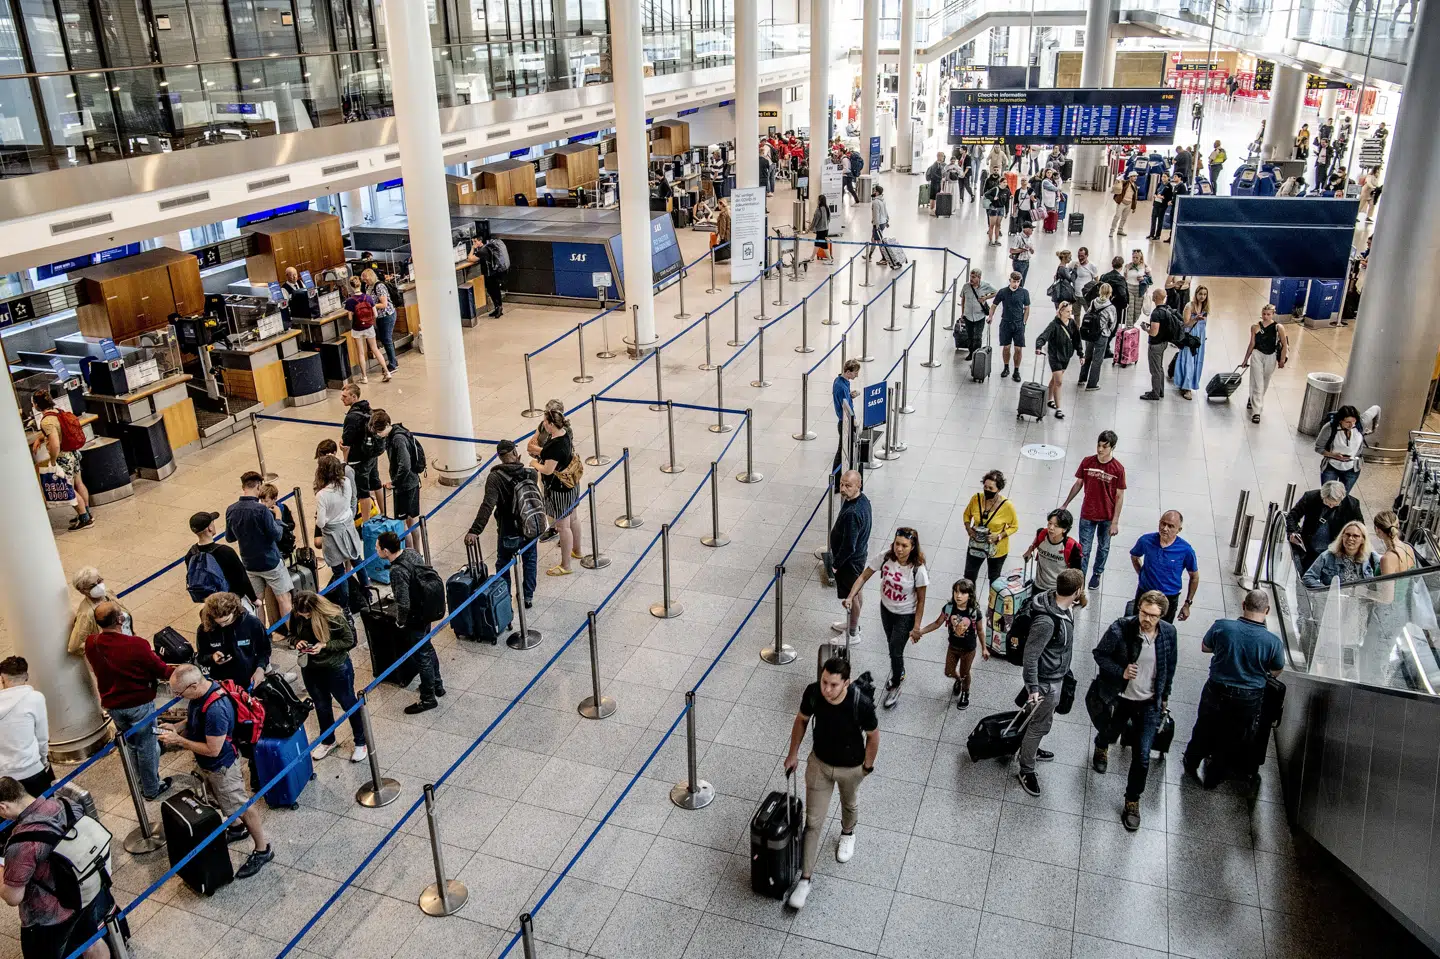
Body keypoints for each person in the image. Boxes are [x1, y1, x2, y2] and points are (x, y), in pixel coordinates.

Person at [782, 655, 879, 910]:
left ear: (846, 683)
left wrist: (867, 766)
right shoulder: (814, 693)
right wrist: (793, 753)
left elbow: (873, 735)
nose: (827, 689)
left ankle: (848, 832)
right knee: (812, 823)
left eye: (834, 685)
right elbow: (802, 719)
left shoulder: (861, 703)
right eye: (825, 681)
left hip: (851, 767)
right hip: (820, 765)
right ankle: (805, 879)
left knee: (849, 803)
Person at [159, 664, 272, 878]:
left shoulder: (216, 710)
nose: (177, 696)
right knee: (219, 799)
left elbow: (213, 750)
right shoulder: (201, 694)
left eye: (179, 693)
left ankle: (263, 849)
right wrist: (178, 727)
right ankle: (238, 828)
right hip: (208, 766)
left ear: (193, 685)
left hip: (221, 766)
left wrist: (178, 740)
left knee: (242, 806)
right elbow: (194, 718)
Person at [1089, 590, 1178, 830]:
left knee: (1142, 755)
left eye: (1153, 615)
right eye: (1143, 612)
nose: (1146, 619)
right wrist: (1121, 671)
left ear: (1162, 616)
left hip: (1150, 702)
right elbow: (1099, 654)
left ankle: (1132, 800)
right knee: (1111, 730)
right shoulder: (1121, 628)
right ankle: (1101, 745)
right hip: (1121, 698)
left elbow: (1169, 667)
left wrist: (1165, 696)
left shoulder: (1168, 634)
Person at [0, 777, 113, 959]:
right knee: (91, 942)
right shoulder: (67, 805)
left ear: (3, 807)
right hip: (86, 891)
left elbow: (13, 897)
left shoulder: (22, 844)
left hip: (50, 917)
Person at [1184, 590, 1284, 789]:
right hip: (1249, 697)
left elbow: (1205, 647)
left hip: (1216, 689)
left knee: (1205, 724)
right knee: (1234, 735)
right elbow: (1276, 669)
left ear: (1243, 604)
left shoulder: (1223, 626)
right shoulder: (1273, 642)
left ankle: (1191, 761)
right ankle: (1215, 775)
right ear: (1267, 610)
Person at [83, 603, 173, 801]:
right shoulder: (136, 645)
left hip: (113, 705)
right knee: (147, 746)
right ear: (120, 620)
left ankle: (139, 783)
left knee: (130, 745)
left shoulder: (92, 642)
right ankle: (151, 788)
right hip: (139, 703)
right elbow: (161, 670)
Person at [841, 528, 928, 709]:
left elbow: (921, 601)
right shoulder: (885, 557)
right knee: (891, 645)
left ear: (912, 547)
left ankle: (896, 681)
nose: (899, 549)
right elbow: (864, 575)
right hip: (886, 609)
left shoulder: (918, 569)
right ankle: (899, 669)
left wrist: (917, 626)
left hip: (906, 615)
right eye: (897, 544)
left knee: (895, 651)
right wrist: (850, 596)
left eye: (904, 545)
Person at [1016, 568, 1083, 797]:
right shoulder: (1046, 621)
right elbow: (1031, 655)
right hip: (1046, 682)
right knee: (1040, 725)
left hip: (1055, 675)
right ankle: (1026, 768)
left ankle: (1028, 748)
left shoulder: (1062, 605)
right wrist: (1033, 688)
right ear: (1076, 590)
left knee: (1036, 720)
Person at [374, 532, 446, 713]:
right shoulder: (411, 552)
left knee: (422, 655)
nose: (376, 550)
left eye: (377, 547)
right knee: (428, 648)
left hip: (416, 617)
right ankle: (437, 684)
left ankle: (428, 698)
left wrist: (400, 621)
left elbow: (404, 603)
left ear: (385, 550)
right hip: (427, 608)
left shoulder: (396, 570)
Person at [292, 591, 367, 763]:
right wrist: (297, 641)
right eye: (301, 615)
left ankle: (361, 741)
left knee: (347, 702)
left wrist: (325, 645)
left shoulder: (334, 617)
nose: (304, 617)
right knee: (321, 705)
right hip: (311, 668)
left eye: (308, 615)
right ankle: (328, 740)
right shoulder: (297, 614)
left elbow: (349, 641)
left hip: (336, 667)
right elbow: (292, 634)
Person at [465, 439, 539, 608]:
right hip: (530, 528)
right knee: (530, 561)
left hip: (508, 530)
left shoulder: (495, 478)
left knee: (503, 564)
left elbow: (487, 505)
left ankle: (504, 598)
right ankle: (527, 596)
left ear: (500, 457)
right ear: (515, 453)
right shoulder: (530, 474)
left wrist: (475, 531)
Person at [225, 471, 293, 628]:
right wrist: (278, 518)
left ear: (243, 487)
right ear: (258, 485)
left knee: (257, 602)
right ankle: (292, 636)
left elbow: (230, 538)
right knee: (284, 599)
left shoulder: (231, 510)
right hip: (271, 562)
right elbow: (277, 535)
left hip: (249, 564)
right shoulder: (262, 510)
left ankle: (262, 635)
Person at [1063, 431, 1127, 589]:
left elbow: (1119, 496)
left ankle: (1097, 573)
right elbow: (1078, 483)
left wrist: (1115, 522)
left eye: (1105, 447)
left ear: (1112, 447)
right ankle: (1081, 578)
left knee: (1103, 547)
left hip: (1106, 516)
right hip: (1088, 513)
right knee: (1084, 549)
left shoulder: (1118, 469)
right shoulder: (1087, 462)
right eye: (1099, 445)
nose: (1100, 449)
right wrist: (1066, 504)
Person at [918, 579, 988, 709]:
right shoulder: (949, 608)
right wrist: (921, 631)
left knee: (965, 673)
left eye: (963, 593)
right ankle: (958, 681)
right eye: (956, 592)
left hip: (968, 649)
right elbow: (937, 623)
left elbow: (979, 630)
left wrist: (984, 648)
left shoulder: (974, 612)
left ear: (970, 595)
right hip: (953, 647)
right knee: (949, 671)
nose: (958, 595)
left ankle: (965, 692)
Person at [530, 408, 583, 576]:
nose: (543, 424)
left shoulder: (555, 446)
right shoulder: (565, 433)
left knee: (562, 526)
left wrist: (534, 464)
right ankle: (577, 550)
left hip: (560, 490)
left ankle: (566, 565)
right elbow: (549, 452)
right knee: (573, 517)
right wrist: (539, 451)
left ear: (551, 424)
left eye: (545, 421)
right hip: (572, 484)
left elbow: (547, 469)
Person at [313, 453, 367, 615]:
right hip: (348, 528)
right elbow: (351, 502)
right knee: (358, 561)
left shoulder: (322, 495)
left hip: (332, 534)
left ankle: (345, 607)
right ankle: (368, 592)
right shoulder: (346, 483)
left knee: (339, 572)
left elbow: (321, 522)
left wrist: (318, 518)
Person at [29, 391, 91, 530]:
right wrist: (40, 438)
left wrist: (52, 460)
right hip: (73, 453)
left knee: (68, 488)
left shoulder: (46, 421)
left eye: (33, 402)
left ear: (37, 405)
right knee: (78, 483)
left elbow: (55, 443)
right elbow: (57, 429)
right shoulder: (58, 411)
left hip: (63, 457)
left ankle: (84, 519)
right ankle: (87, 512)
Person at [1130, 511, 1199, 624]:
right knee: (1136, 626)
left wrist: (1188, 603)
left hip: (1169, 597)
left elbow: (1194, 577)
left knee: (1162, 630)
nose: (1165, 528)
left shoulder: (1186, 550)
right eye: (1163, 523)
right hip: (1145, 592)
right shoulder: (1146, 540)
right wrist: (1142, 574)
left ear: (1179, 530)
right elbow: (1135, 556)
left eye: (1171, 526)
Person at [829, 470, 872, 644]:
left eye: (848, 485)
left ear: (858, 485)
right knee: (857, 591)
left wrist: (836, 564)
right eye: (842, 484)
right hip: (859, 557)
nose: (843, 488)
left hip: (849, 562)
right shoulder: (862, 500)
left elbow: (849, 546)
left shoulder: (853, 513)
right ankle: (851, 623)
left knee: (852, 596)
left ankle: (852, 633)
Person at [369, 409, 422, 549]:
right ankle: (417, 553)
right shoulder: (398, 431)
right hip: (413, 482)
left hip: (405, 486)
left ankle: (410, 555)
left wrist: (394, 483)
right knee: (412, 521)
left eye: (379, 431)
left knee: (402, 524)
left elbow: (405, 465)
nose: (378, 434)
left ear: (386, 425)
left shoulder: (397, 439)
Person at [194, 593, 270, 688]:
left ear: (235, 611)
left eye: (226, 621)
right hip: (221, 682)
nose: (222, 625)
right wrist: (212, 657)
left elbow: (264, 650)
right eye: (218, 622)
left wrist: (260, 669)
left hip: (249, 678)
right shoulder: (205, 629)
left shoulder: (252, 623)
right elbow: (201, 657)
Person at [1287, 480, 1364, 573]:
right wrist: (1293, 532)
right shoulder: (1310, 497)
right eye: (1327, 503)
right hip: (1310, 548)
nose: (1331, 506)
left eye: (1334, 503)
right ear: (1322, 496)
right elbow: (1292, 516)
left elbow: (1360, 526)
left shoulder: (1351, 504)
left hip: (1335, 550)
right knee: (1306, 576)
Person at [962, 470, 1019, 594]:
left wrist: (998, 536)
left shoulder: (1007, 506)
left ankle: (992, 607)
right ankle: (970, 603)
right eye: (985, 487)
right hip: (976, 544)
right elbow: (967, 514)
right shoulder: (976, 499)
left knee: (994, 578)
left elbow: (1014, 526)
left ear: (998, 489)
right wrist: (969, 528)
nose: (987, 490)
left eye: (991, 488)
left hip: (997, 548)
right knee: (969, 575)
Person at [0, 659, 51, 798]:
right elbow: (42, 737)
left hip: (3, 777)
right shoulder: (35, 698)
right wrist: (43, 760)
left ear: (2, 679)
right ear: (26, 676)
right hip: (31, 769)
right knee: (46, 810)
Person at [185, 512, 257, 606]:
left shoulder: (190, 554)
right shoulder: (225, 551)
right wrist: (254, 599)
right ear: (209, 528)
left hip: (211, 603)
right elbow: (242, 578)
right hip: (233, 600)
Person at [339, 383, 382, 520]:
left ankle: (366, 523)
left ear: (354, 396)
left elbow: (347, 440)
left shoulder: (352, 417)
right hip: (371, 455)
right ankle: (383, 513)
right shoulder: (368, 409)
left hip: (358, 459)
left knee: (363, 492)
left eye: (345, 396)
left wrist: (342, 445)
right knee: (376, 483)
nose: (342, 399)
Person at [66, 568, 131, 657]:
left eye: (99, 580)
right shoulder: (86, 614)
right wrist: (102, 648)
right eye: (92, 586)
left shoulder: (108, 593)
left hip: (129, 643)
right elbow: (74, 647)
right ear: (82, 591)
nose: (99, 586)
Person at [1241, 304, 1289, 424]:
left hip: (1271, 356)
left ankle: (1253, 399)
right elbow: (1251, 343)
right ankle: (1256, 412)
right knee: (1258, 382)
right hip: (1257, 354)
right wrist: (1246, 359)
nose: (1265, 316)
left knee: (1265, 380)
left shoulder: (1278, 327)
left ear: (1273, 314)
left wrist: (1282, 360)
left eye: (1268, 314)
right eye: (1264, 314)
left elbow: (1284, 344)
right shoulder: (1255, 327)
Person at [1316, 403, 1376, 494]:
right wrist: (1333, 455)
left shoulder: (1361, 424)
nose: (1351, 425)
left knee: (1343, 497)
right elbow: (1318, 448)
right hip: (1331, 467)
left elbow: (1376, 408)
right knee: (1328, 495)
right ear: (1340, 420)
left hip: (1352, 469)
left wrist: (1374, 427)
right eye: (1347, 422)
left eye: (1354, 421)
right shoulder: (1330, 428)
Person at [1302, 520, 1381, 588]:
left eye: (1355, 536)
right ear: (1342, 536)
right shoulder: (1327, 556)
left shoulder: (1370, 557)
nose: (1350, 538)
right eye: (1347, 534)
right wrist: (1327, 592)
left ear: (1363, 540)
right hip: (1333, 603)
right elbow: (1308, 578)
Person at [1034, 301, 1079, 419]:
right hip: (1055, 356)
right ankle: (1059, 409)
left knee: (1055, 379)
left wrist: (1081, 354)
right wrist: (1038, 346)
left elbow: (1076, 339)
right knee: (1059, 381)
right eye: (1067, 311)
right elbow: (1043, 336)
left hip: (1066, 356)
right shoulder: (1054, 325)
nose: (1070, 313)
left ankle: (1049, 399)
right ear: (1061, 312)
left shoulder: (1072, 323)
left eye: (1071, 311)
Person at [1023, 508, 1085, 592]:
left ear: (1065, 529)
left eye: (1056, 526)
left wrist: (1078, 592)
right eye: (1049, 523)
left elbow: (1077, 574)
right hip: (1038, 585)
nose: (1051, 528)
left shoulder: (1072, 547)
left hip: (1058, 591)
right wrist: (1030, 549)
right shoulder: (1042, 533)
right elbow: (1036, 542)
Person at [343, 276, 390, 384]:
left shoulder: (350, 301)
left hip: (357, 328)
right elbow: (376, 314)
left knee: (360, 352)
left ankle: (364, 377)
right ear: (360, 284)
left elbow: (350, 318)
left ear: (351, 286)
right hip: (369, 327)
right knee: (375, 349)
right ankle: (387, 372)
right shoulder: (368, 297)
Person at [989, 271, 1031, 382]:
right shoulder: (1003, 292)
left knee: (1018, 348)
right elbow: (994, 305)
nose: (1016, 284)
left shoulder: (1024, 293)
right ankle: (1006, 367)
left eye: (1018, 282)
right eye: (1014, 281)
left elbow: (1027, 308)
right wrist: (990, 317)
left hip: (1018, 324)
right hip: (1006, 323)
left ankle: (1016, 370)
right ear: (1010, 281)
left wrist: (1024, 322)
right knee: (1006, 347)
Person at [1139, 288, 1181, 402]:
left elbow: (1154, 332)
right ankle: (1160, 390)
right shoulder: (1167, 309)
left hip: (1155, 344)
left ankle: (1155, 393)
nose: (1152, 295)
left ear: (1156, 297)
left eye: (1153, 294)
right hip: (1164, 342)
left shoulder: (1156, 313)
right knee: (1160, 368)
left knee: (1155, 370)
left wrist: (1145, 329)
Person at [1077, 281, 1118, 391]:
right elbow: (1112, 323)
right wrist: (1108, 331)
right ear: (1110, 293)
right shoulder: (1111, 307)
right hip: (1102, 335)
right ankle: (1092, 384)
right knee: (1097, 360)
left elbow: (1089, 312)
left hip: (1090, 333)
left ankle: (1082, 378)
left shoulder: (1094, 301)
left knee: (1088, 356)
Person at [1171, 284, 1209, 400]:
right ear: (1196, 294)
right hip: (1190, 337)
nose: (1202, 297)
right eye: (1200, 294)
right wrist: (1195, 319)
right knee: (1188, 361)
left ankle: (1189, 384)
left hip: (1199, 338)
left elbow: (1204, 325)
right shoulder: (1189, 306)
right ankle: (1186, 387)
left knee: (1196, 361)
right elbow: (1185, 324)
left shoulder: (1205, 307)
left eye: (1204, 294)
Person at [359, 268, 399, 375]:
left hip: (387, 315)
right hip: (379, 317)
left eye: (366, 280)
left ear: (371, 277)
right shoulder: (369, 287)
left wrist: (370, 306)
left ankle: (393, 364)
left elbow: (384, 304)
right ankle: (393, 361)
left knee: (386, 339)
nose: (365, 282)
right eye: (364, 281)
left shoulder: (379, 286)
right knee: (384, 339)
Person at [957, 269, 995, 355]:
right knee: (970, 336)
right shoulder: (966, 286)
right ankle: (971, 353)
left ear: (979, 278)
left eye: (973, 277)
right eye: (970, 276)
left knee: (977, 337)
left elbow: (996, 292)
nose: (971, 279)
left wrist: (985, 298)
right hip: (968, 316)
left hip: (979, 316)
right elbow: (963, 300)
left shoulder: (985, 286)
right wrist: (962, 313)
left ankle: (976, 355)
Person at [1123, 249, 1151, 327]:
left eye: (1137, 257)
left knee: (1137, 311)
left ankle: (1132, 325)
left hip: (1140, 290)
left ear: (1140, 258)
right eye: (1133, 257)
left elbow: (1150, 279)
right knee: (1130, 310)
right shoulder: (1127, 266)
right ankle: (1129, 327)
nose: (1134, 259)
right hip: (1129, 289)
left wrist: (1143, 278)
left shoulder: (1145, 267)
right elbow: (1124, 278)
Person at [983, 174, 1010, 246]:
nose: (1005, 184)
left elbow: (1007, 202)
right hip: (993, 208)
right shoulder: (995, 189)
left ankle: (997, 240)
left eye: (1006, 182)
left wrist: (1007, 211)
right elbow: (986, 194)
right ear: (1000, 182)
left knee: (998, 225)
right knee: (992, 225)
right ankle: (990, 241)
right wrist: (992, 198)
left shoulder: (1007, 191)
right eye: (1004, 182)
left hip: (1001, 208)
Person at [1109, 171, 1139, 237]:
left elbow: (1135, 197)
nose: (1135, 177)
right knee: (1117, 216)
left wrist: (1134, 207)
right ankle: (1112, 231)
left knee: (1124, 218)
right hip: (1122, 203)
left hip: (1129, 204)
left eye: (1136, 176)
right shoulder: (1125, 183)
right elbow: (1118, 182)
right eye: (1134, 176)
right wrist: (1119, 178)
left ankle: (1120, 230)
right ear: (1130, 177)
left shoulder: (1135, 186)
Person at [868, 184, 889, 249]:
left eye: (874, 191)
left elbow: (876, 214)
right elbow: (885, 211)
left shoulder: (875, 202)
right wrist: (887, 220)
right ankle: (869, 255)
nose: (873, 192)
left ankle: (884, 256)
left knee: (878, 240)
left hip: (878, 224)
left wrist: (876, 226)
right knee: (874, 239)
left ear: (877, 192)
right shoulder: (883, 200)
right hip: (883, 222)